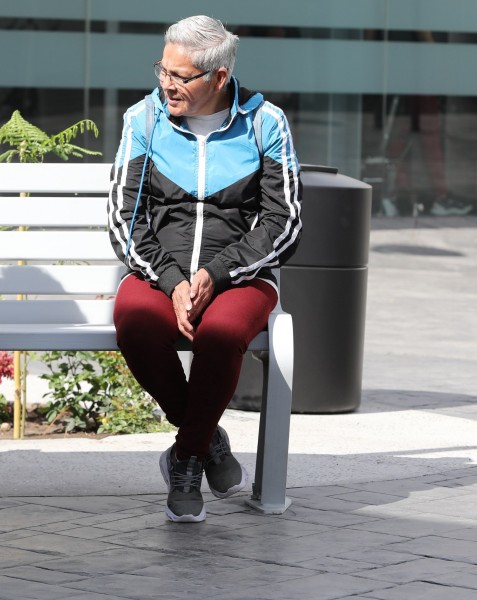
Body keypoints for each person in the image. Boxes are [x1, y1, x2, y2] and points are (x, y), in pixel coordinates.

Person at [108, 16, 302, 523]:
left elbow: (286, 222)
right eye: (162, 70)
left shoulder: (265, 122)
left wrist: (217, 273)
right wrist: (172, 282)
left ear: (218, 78)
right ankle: (209, 441)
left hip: (241, 276)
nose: (166, 84)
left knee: (219, 334)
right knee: (134, 321)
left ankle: (187, 457)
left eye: (181, 76)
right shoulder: (143, 120)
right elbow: (124, 219)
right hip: (160, 273)